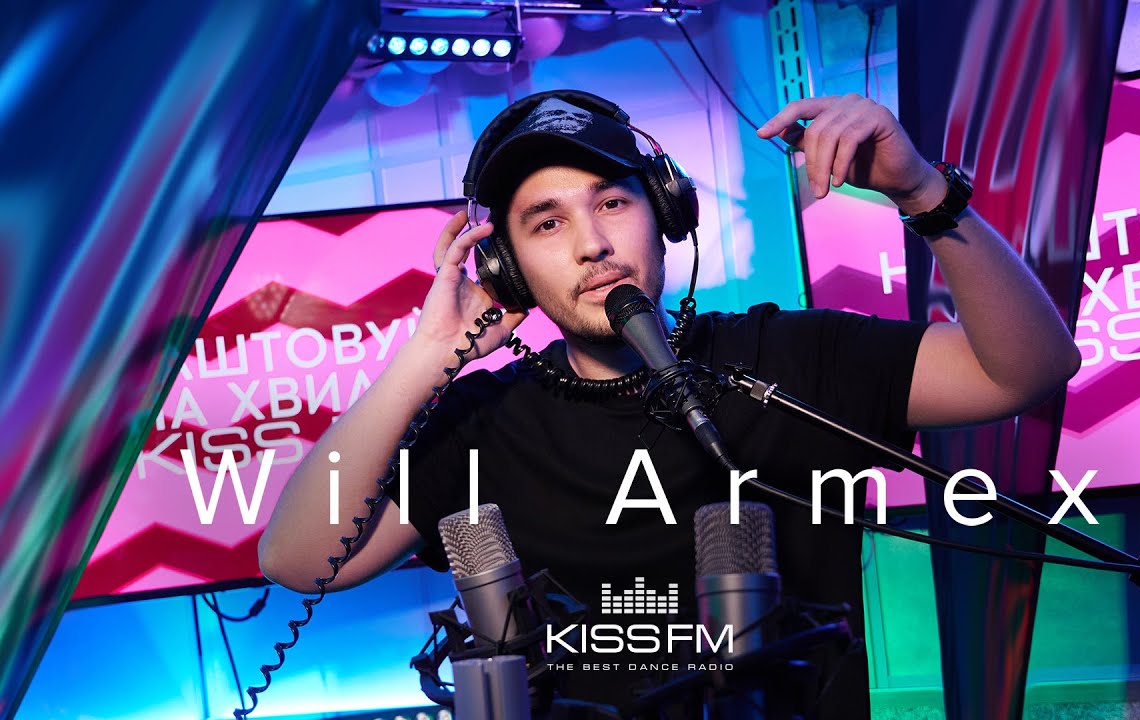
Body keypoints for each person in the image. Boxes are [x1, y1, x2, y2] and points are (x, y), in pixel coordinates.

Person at [259, 90, 1082, 718]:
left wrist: (925, 193)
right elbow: (297, 558)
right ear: (508, 270)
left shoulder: (789, 357)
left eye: (612, 203)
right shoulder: (484, 423)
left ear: (666, 215)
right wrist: (427, 358)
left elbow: (1027, 371)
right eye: (546, 224)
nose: (592, 243)